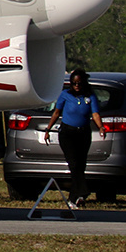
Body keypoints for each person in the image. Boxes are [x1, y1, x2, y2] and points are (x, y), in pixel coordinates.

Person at [43, 69, 105, 210]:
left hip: (83, 133)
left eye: (79, 83)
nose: (76, 86)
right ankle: (83, 190)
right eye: (74, 83)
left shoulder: (89, 96)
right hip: (67, 134)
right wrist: (48, 129)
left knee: (81, 165)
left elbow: (95, 113)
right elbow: (57, 112)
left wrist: (101, 127)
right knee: (74, 164)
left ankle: (75, 198)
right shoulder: (65, 95)